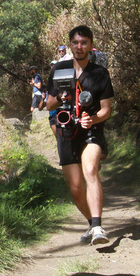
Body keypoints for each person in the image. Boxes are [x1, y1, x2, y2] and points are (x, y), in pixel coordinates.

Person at [46, 25, 114, 246]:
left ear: (91, 45)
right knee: (75, 188)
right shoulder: (59, 69)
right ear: (70, 45)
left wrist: (92, 120)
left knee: (90, 170)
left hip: (91, 130)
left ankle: (97, 226)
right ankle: (91, 223)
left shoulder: (100, 73)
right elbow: (48, 105)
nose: (79, 46)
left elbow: (106, 110)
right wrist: (60, 95)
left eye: (84, 42)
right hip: (66, 131)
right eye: (75, 42)